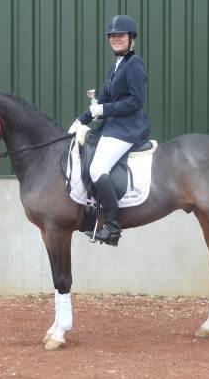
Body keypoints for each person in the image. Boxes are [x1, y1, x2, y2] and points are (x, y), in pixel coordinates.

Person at [68, 14, 151, 246]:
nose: (116, 39)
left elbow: (136, 101)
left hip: (128, 128)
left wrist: (103, 110)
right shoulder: (116, 65)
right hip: (113, 126)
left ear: (130, 38)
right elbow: (103, 98)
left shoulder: (134, 64)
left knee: (97, 169)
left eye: (120, 35)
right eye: (113, 36)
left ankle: (112, 227)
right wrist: (81, 119)